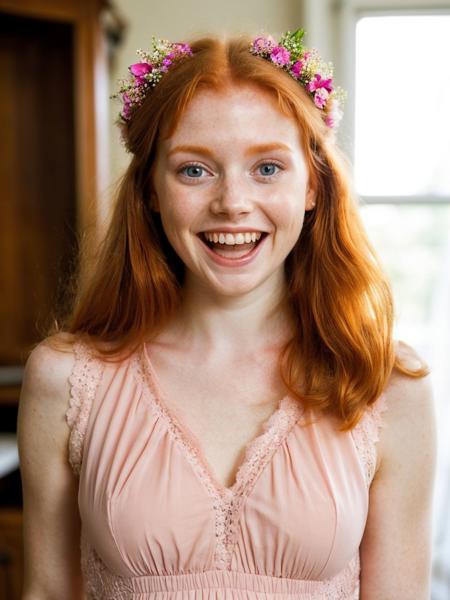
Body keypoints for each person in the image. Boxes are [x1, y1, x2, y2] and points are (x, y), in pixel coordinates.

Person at [17, 30, 437, 600]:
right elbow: (46, 590)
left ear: (313, 186)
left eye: (267, 168)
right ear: (151, 191)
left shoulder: (386, 386)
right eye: (195, 170)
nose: (233, 202)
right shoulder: (65, 379)